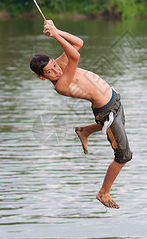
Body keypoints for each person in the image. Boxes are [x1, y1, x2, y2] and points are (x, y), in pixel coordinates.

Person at [30, 20, 132, 209]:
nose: (56, 70)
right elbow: (75, 57)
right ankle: (104, 192)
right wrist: (56, 36)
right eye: (49, 72)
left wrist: (56, 29)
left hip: (115, 99)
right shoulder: (61, 85)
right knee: (123, 155)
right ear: (42, 77)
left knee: (119, 134)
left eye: (54, 64)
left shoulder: (60, 65)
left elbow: (78, 44)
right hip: (106, 112)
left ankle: (85, 131)